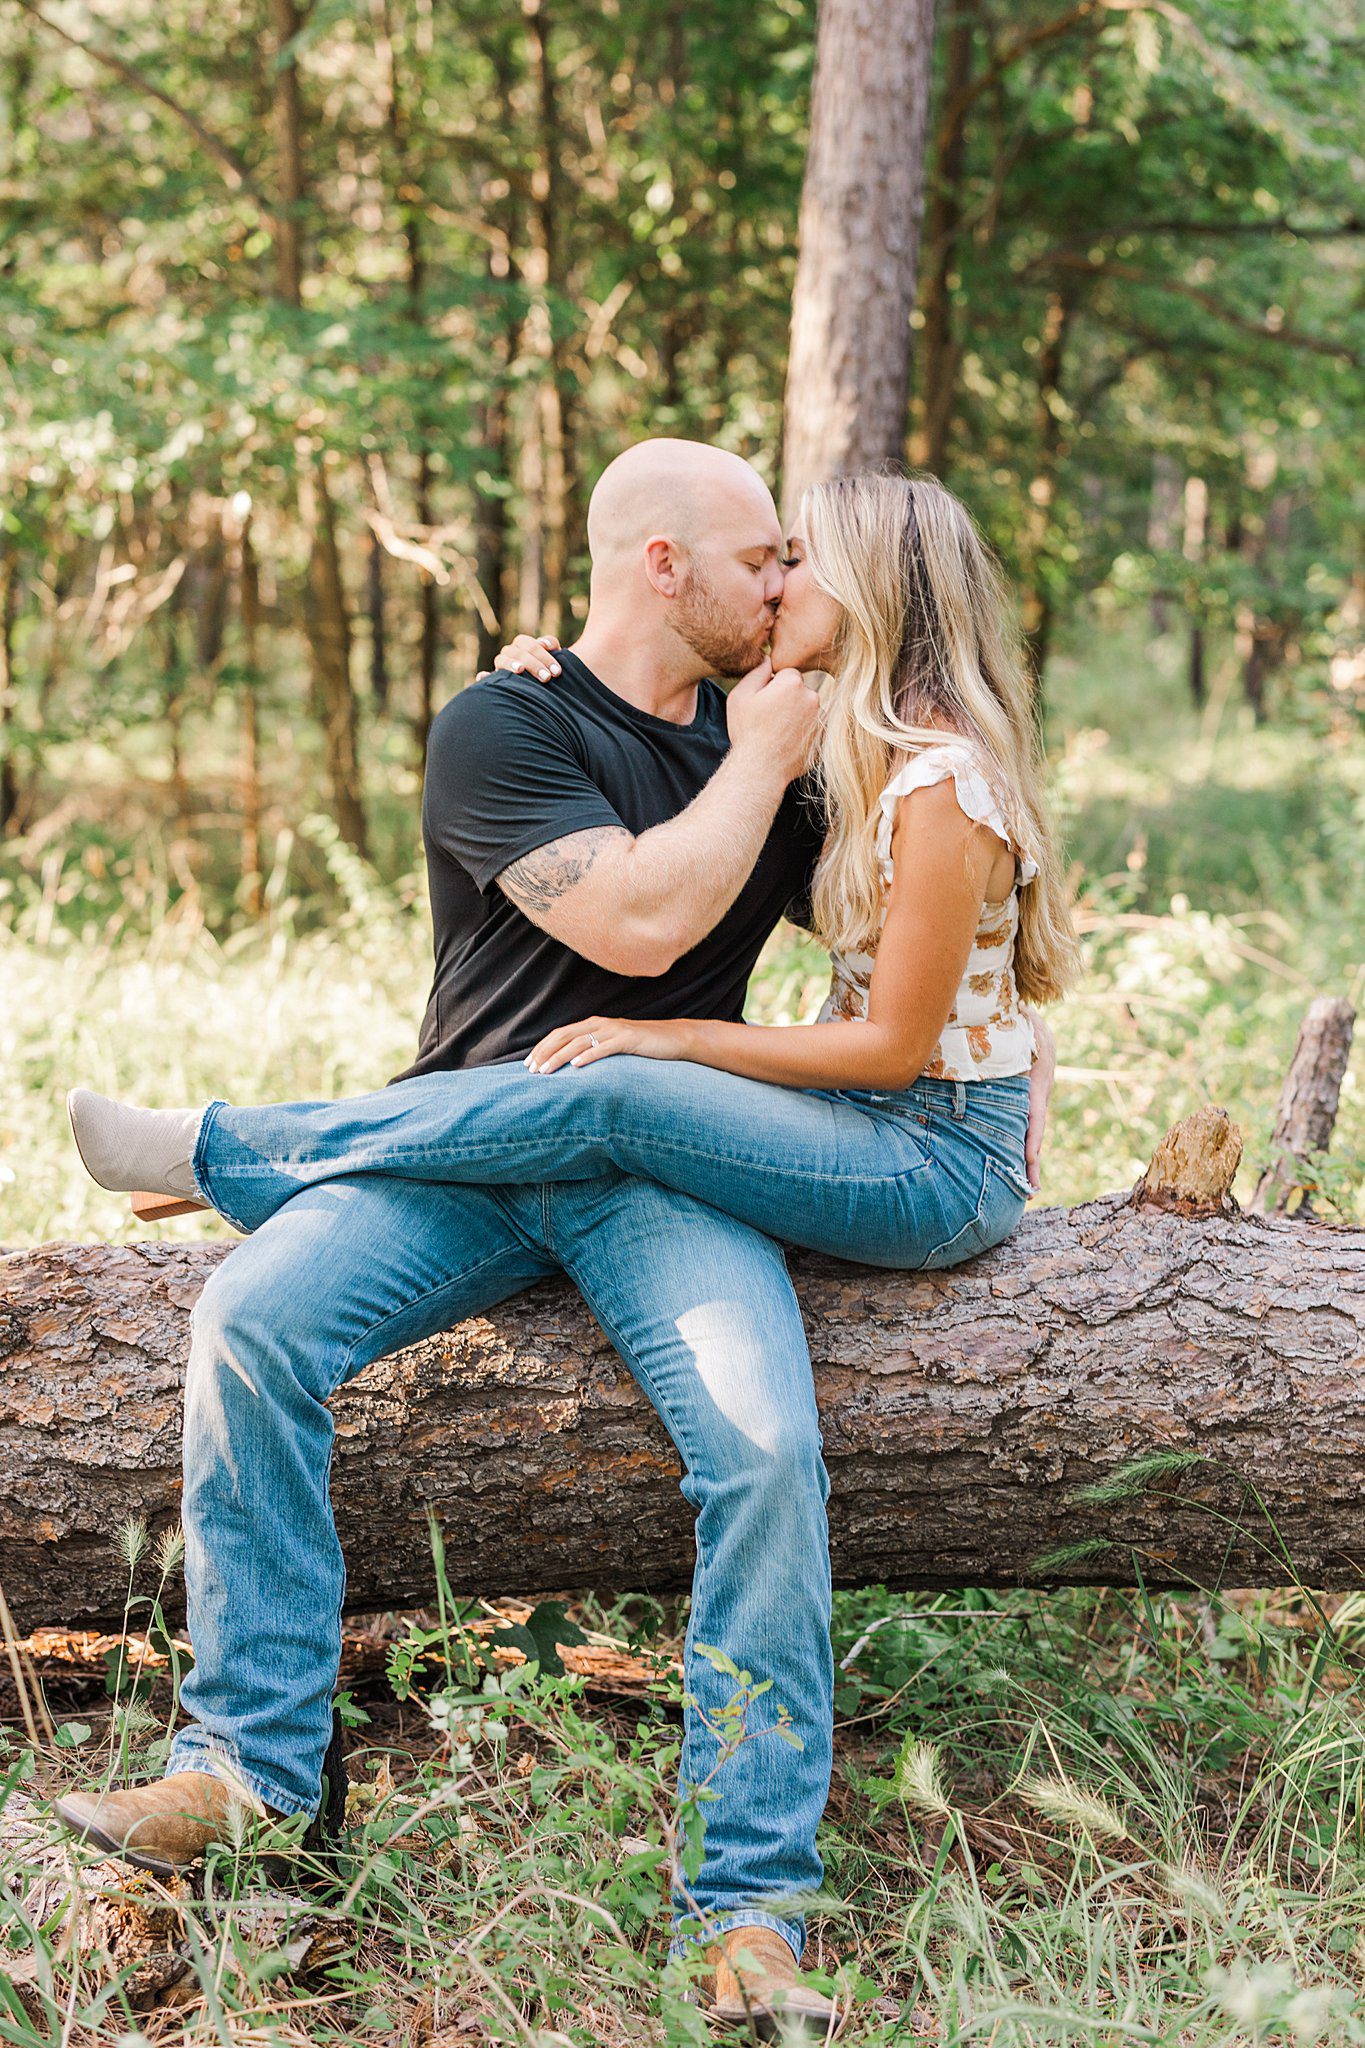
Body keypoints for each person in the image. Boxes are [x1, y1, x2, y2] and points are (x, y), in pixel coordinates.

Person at [60, 443, 1066, 2037]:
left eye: (800, 562)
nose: (780, 581)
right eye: (758, 558)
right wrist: (749, 761)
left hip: (666, 1173)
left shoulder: (797, 745)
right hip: (446, 1164)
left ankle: (745, 1916)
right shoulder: (505, 716)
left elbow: (908, 951)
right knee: (249, 1321)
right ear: (660, 564)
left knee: (761, 1452)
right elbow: (637, 922)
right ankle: (238, 1771)